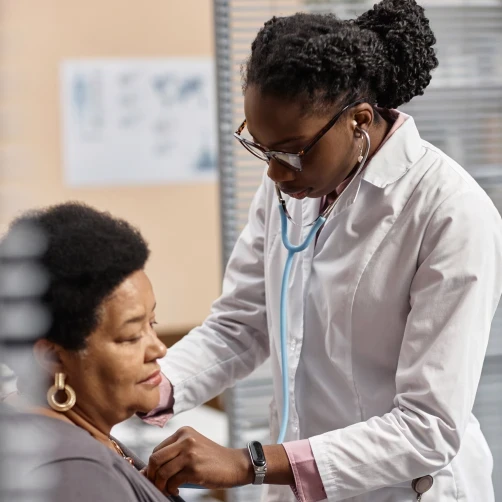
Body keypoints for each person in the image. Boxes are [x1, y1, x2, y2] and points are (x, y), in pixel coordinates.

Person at [143, 1, 502, 501]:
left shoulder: (450, 213)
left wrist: (251, 464)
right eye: (263, 150)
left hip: (403, 490)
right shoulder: (292, 187)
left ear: (358, 120)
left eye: (291, 151)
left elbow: (429, 427)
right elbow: (242, 324)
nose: (274, 173)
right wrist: (147, 390)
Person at [0, 202, 184, 502]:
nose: (159, 348)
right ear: (53, 357)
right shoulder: (73, 473)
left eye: (153, 323)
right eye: (130, 336)